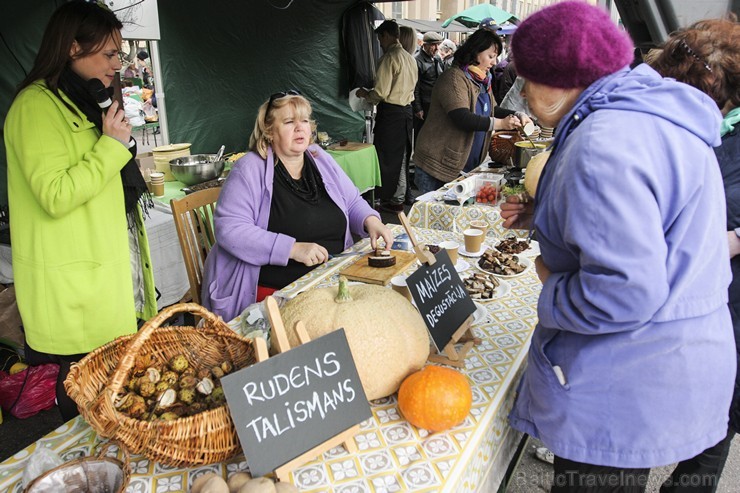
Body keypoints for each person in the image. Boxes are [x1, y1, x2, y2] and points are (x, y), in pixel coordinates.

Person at [500, 3, 735, 492]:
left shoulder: (603, 142)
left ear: (563, 78)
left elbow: (623, 292)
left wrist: (552, 284)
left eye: (527, 78)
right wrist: (548, 218)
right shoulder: (651, 117)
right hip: (663, 367)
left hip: (625, 380)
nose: (522, 92)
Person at [3, 1, 157, 421]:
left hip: (106, 280)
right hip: (74, 292)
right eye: (109, 54)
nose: (117, 64)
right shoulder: (35, 107)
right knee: (86, 408)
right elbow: (55, 194)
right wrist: (109, 147)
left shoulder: (85, 102)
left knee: (116, 401)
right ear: (73, 48)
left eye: (120, 54)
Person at [201, 91, 392, 322]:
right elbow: (230, 230)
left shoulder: (318, 157)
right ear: (269, 131)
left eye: (304, 120)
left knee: (383, 312)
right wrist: (293, 249)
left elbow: (351, 201)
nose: (300, 128)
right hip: (276, 294)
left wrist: (370, 221)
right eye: (289, 122)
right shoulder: (249, 168)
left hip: (329, 279)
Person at [649, 19, 740, 492]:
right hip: (675, 297)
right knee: (647, 412)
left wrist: (735, 238)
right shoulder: (680, 130)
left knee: (716, 424)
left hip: (730, 305)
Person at [412, 29, 530, 194]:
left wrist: (517, 114)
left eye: (495, 57)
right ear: (475, 52)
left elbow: (492, 109)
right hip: (437, 165)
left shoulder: (482, 80)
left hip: (463, 165)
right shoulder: (454, 78)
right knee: (435, 216)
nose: (494, 62)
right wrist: (502, 123)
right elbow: (462, 118)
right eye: (491, 56)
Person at [356, 20, 418, 213]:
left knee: (388, 157)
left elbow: (381, 92)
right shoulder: (410, 58)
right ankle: (398, 197)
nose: (380, 44)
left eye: (380, 39)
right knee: (402, 156)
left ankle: (391, 199)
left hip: (391, 113)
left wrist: (365, 94)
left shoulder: (389, 58)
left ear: (386, 36)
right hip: (406, 112)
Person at [412, 31, 443, 135]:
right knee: (422, 134)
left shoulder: (437, 59)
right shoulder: (417, 60)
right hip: (425, 104)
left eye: (438, 44)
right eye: (434, 45)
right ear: (425, 45)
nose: (437, 48)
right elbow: (415, 87)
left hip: (436, 103)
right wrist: (418, 108)